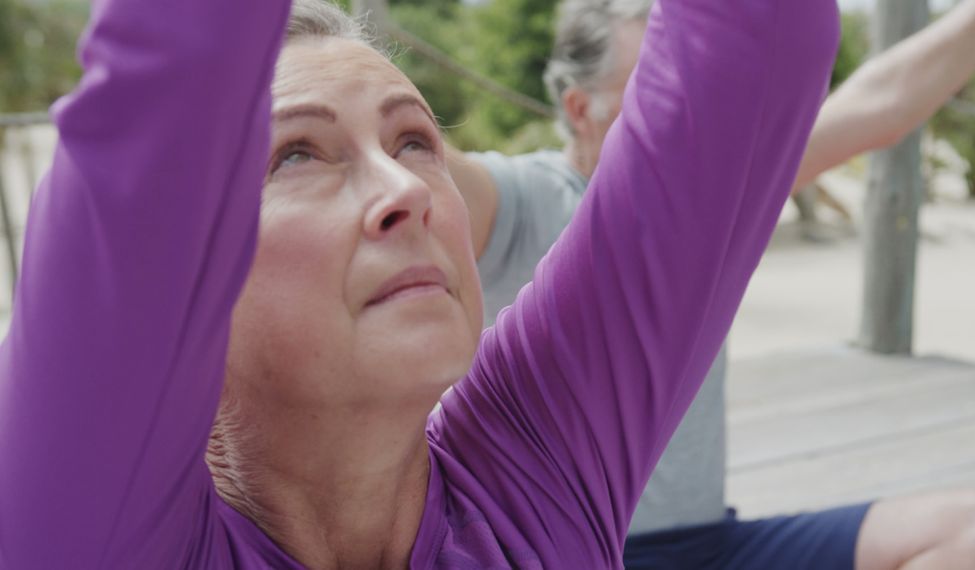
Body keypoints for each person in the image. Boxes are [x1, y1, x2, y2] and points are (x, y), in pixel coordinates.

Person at [0, 0, 841, 568]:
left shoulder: (534, 475)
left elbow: (755, 43)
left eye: (413, 142)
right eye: (297, 153)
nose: (406, 191)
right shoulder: (94, 531)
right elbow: (176, 74)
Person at [446, 0, 975, 568]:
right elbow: (409, 173)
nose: (686, 105)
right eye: (658, 88)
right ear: (581, 109)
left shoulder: (710, 193)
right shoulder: (515, 199)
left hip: (710, 545)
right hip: (570, 555)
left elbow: (883, 100)